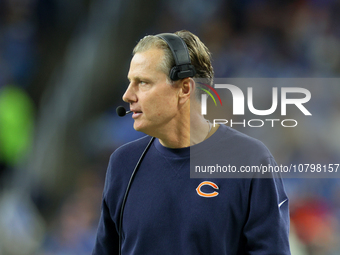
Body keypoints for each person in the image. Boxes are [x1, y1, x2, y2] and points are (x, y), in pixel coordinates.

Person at [92, 30, 291, 255]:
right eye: (130, 82)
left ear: (185, 89)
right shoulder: (123, 163)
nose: (128, 95)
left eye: (143, 83)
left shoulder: (250, 160)